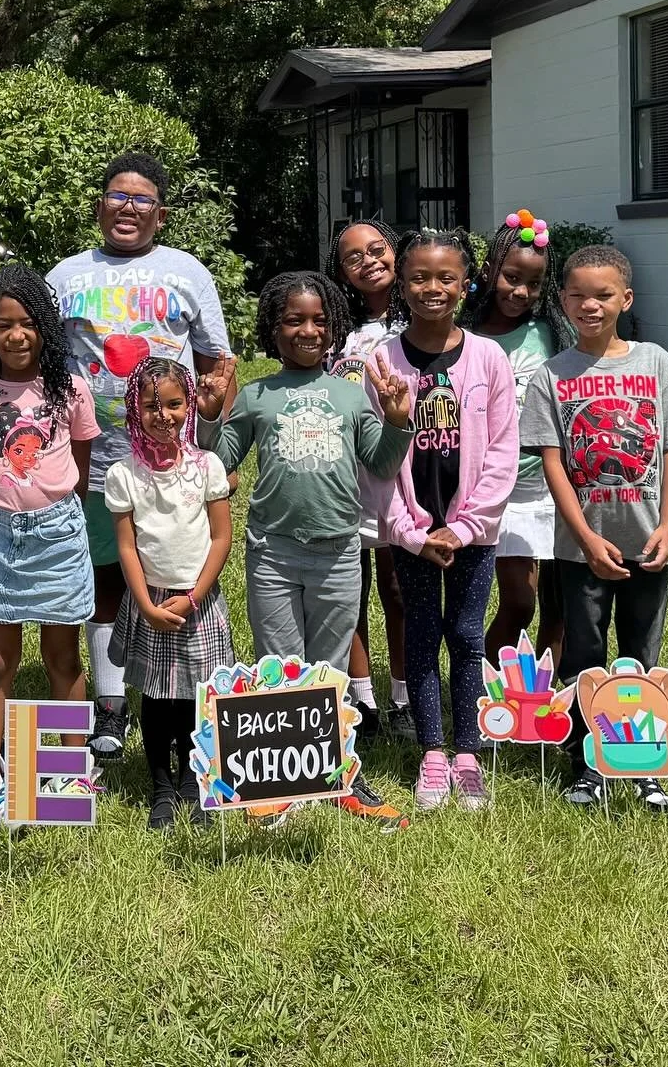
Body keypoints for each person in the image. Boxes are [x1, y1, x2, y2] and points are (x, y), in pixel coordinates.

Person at [196, 271, 414, 826]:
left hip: (339, 553)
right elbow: (218, 462)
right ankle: (277, 783)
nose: (308, 330)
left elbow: (382, 463)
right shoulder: (256, 396)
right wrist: (211, 414)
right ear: (273, 328)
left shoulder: (352, 395)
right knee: (280, 667)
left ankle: (340, 776)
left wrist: (397, 422)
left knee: (329, 670)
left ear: (334, 326)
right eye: (294, 320)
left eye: (319, 320)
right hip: (273, 552)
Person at [48, 151, 231, 761]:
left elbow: (217, 364)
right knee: (105, 578)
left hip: (174, 469)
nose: (128, 208)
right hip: (93, 460)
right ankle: (110, 704)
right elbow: (45, 364)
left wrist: (213, 439)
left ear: (161, 212)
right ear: (99, 205)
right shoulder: (65, 275)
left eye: (142, 199)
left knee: (175, 576)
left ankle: (180, 699)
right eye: (117, 196)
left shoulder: (187, 271)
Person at [521, 245, 668, 812]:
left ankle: (643, 762)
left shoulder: (657, 363)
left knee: (641, 655)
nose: (589, 305)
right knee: (585, 653)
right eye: (577, 295)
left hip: (648, 543)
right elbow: (553, 463)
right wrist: (583, 537)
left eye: (603, 295)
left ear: (626, 298)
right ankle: (587, 761)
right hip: (582, 549)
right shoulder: (552, 375)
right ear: (562, 300)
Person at [0, 264, 101, 826]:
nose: (16, 336)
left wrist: (51, 507)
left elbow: (79, 468)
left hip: (58, 534)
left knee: (63, 656)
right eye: (3, 325)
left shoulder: (71, 390)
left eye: (27, 323)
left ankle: (69, 767)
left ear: (45, 326)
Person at [379, 229, 519, 813]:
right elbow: (375, 460)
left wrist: (462, 529)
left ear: (465, 285)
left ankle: (468, 752)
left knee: (465, 634)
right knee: (421, 632)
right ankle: (432, 753)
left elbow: (503, 452)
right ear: (401, 283)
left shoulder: (489, 358)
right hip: (412, 533)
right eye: (418, 277)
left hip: (472, 533)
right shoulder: (383, 360)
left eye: (445, 278)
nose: (431, 288)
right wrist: (411, 533)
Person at [107, 358, 233, 830]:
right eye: (151, 405)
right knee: (158, 698)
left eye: (174, 404)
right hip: (151, 601)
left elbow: (221, 537)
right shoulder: (124, 474)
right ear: (134, 409)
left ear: (189, 405)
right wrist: (145, 605)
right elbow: (127, 546)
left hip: (199, 601)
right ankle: (162, 785)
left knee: (199, 698)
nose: (163, 415)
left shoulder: (207, 466)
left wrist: (194, 596)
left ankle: (195, 781)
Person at [327, 217, 410, 741]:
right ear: (341, 271)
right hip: (347, 475)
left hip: (405, 469)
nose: (369, 261)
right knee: (349, 592)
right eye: (353, 257)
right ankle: (363, 699)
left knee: (398, 588)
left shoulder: (417, 317)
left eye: (377, 249)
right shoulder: (337, 328)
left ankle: (403, 695)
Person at [468, 212, 565, 663]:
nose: (521, 291)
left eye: (534, 283)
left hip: (554, 483)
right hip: (500, 489)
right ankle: (486, 689)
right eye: (511, 277)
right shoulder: (466, 337)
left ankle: (545, 696)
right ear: (489, 271)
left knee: (558, 609)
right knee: (520, 603)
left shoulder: (551, 334)